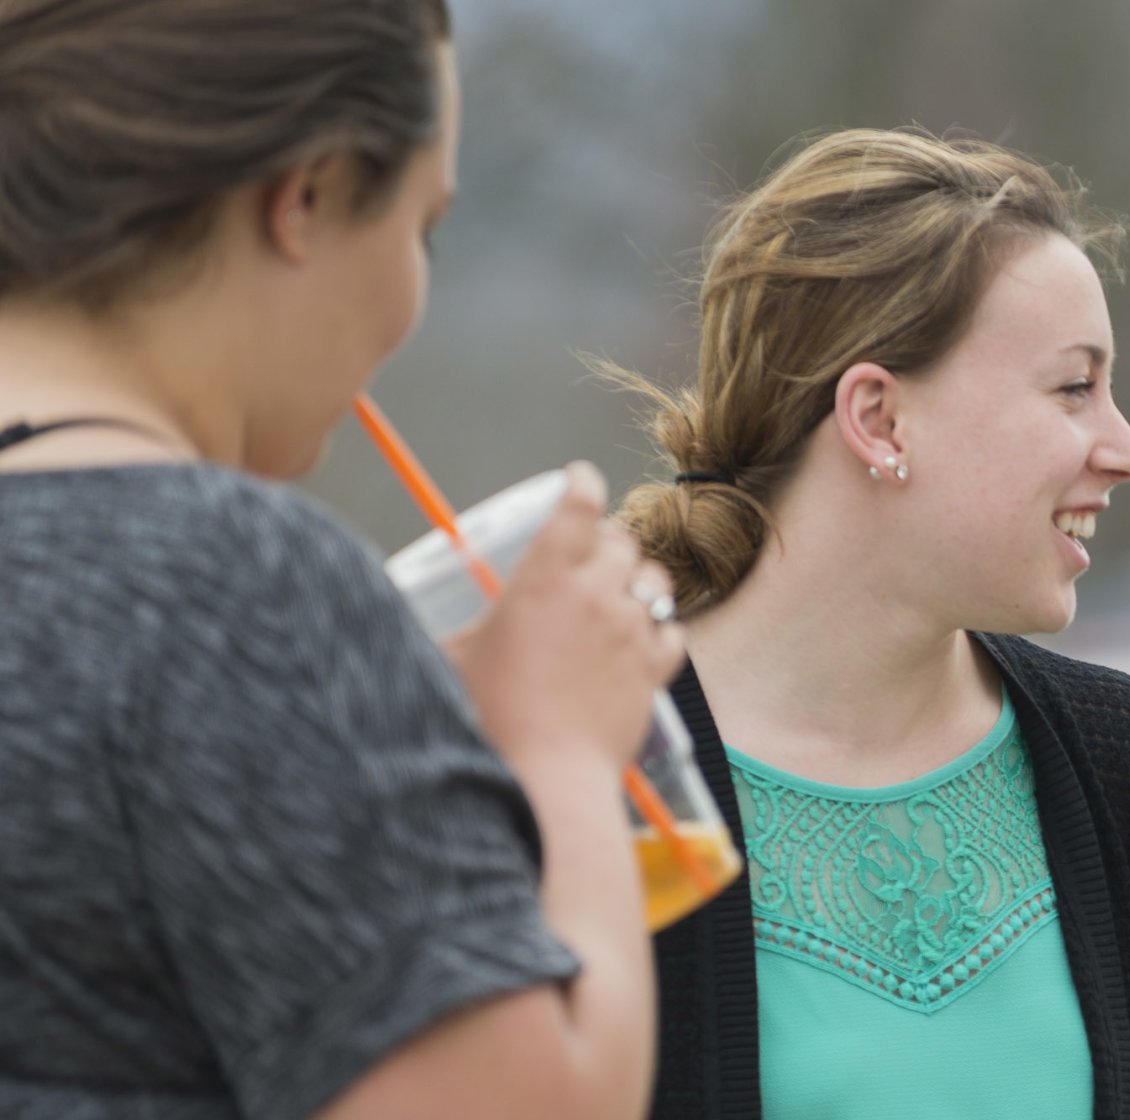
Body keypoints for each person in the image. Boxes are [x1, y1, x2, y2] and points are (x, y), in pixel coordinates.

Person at [0, 2, 683, 1116]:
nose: (412, 294)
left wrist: (387, 736)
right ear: (306, 195)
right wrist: (561, 743)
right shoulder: (233, 583)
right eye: (423, 225)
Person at [600, 128, 1130, 1119]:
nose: (1126, 449)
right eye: (1074, 387)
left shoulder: (1127, 759)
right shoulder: (599, 768)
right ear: (878, 419)